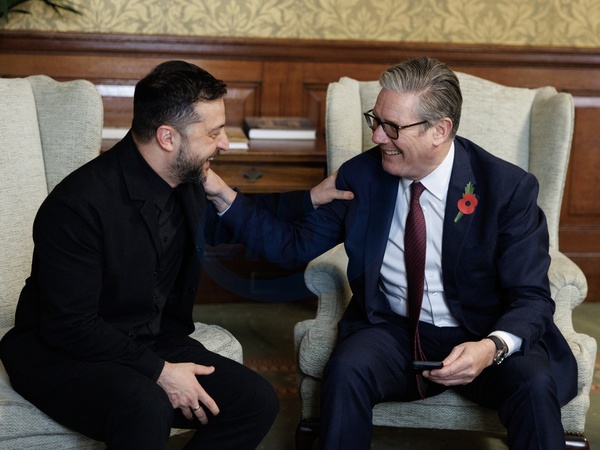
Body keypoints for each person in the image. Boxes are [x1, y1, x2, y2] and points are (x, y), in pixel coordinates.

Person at [203, 56, 578, 449]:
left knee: (534, 384)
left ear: (439, 130)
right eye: (375, 121)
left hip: (483, 332)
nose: (378, 137)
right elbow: (290, 246)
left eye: (393, 127)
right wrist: (222, 195)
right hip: (393, 331)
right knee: (347, 368)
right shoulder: (362, 176)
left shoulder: (506, 188)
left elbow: (532, 298)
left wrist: (491, 347)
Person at [0, 60, 351, 450]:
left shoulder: (185, 181)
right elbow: (69, 326)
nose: (224, 143)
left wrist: (309, 198)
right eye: (214, 133)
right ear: (167, 137)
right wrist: (161, 372)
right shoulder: (77, 205)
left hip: (148, 339)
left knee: (255, 401)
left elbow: (228, 219)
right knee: (147, 405)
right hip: (60, 353)